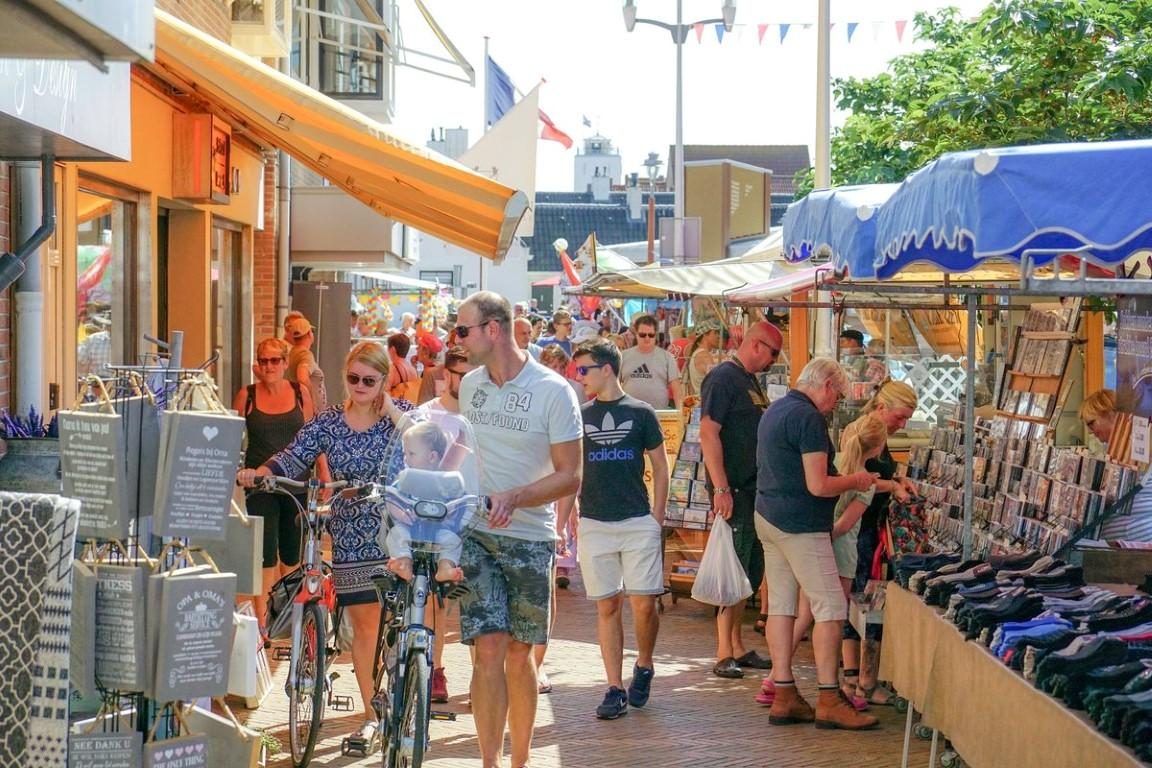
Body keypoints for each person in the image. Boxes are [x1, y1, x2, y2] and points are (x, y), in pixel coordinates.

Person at [236, 340, 411, 747]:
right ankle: (372, 716)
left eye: (370, 379)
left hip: (397, 531)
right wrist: (261, 472)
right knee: (366, 628)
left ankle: (404, 693)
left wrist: (393, 412)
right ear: (344, 378)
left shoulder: (400, 418)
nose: (361, 385)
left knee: (397, 626)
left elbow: (428, 444)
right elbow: (294, 454)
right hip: (351, 535)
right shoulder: (330, 422)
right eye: (354, 378)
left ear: (384, 379)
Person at [455, 291, 582, 768]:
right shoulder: (470, 386)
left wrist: (516, 497)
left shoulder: (554, 391)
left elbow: (571, 473)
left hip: (530, 536)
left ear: (493, 329)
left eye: (464, 330)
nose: (458, 339)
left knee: (519, 651)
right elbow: (463, 452)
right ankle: (490, 761)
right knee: (487, 648)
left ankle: (521, 760)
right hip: (477, 533)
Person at [755, 357, 879, 731]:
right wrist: (855, 481)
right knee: (830, 607)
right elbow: (818, 485)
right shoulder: (808, 418)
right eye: (837, 396)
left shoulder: (775, 410)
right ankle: (829, 696)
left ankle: (784, 691)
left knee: (781, 606)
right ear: (825, 385)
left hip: (769, 515)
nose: (835, 404)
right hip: (801, 524)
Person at [571, 340, 668, 720]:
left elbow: (660, 466)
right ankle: (614, 687)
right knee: (607, 604)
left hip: (636, 520)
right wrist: (569, 517)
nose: (580, 379)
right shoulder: (580, 415)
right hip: (595, 521)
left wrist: (656, 518)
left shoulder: (642, 413)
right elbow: (572, 469)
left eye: (584, 370)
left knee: (644, 604)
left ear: (606, 369)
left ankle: (644, 664)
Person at [787, 413, 888, 707]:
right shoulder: (864, 482)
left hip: (817, 545)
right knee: (834, 618)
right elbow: (845, 525)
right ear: (879, 447)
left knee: (805, 614)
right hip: (841, 553)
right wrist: (827, 538)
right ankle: (836, 686)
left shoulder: (835, 466)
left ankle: (776, 674)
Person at [699, 321, 781, 679]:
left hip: (751, 489)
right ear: (758, 346)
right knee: (734, 567)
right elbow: (708, 432)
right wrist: (721, 488)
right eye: (774, 353)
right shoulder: (723, 378)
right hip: (734, 489)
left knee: (748, 568)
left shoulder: (747, 380)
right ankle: (723, 649)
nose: (773, 361)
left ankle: (736, 644)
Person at [231, 336, 321, 636]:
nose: (269, 366)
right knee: (264, 554)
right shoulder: (248, 395)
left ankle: (289, 614)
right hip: (260, 484)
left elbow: (314, 439)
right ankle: (263, 620)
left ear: (285, 363)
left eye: (275, 360)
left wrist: (324, 478)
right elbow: (231, 440)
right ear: (258, 365)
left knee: (292, 554)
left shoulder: (300, 393)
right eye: (264, 360)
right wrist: (236, 471)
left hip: (296, 482)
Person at [402, 345, 475, 703]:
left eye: (471, 373)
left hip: (474, 516)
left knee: (476, 599)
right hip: (432, 519)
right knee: (435, 600)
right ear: (446, 375)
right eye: (459, 373)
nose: (464, 381)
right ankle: (435, 669)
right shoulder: (425, 415)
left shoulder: (484, 416)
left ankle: (481, 680)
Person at [849, 379, 918, 704]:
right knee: (865, 599)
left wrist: (896, 480)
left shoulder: (876, 433)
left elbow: (876, 474)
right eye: (900, 417)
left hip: (866, 529)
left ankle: (855, 678)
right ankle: (862, 679)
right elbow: (856, 479)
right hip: (861, 531)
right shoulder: (864, 433)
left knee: (858, 599)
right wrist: (892, 488)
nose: (902, 424)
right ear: (881, 407)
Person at [386, 421, 464, 583]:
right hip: (410, 528)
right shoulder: (406, 478)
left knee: (453, 541)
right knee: (396, 534)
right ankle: (404, 563)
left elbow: (458, 503)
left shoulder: (445, 481)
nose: (406, 459)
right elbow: (391, 497)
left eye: (411, 454)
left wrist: (451, 512)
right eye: (405, 453)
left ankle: (445, 568)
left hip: (437, 531)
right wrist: (400, 513)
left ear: (432, 457)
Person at [1080, 388, 1152, 541]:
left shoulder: (1139, 444)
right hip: (1120, 542)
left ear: (1110, 413)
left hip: (1136, 541)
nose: (1091, 432)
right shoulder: (1116, 449)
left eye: (1091, 423)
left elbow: (1127, 494)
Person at [619, 313, 682, 410]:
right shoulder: (623, 356)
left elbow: (676, 389)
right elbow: (614, 385)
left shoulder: (667, 357)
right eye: (643, 335)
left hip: (658, 415)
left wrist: (680, 414)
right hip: (628, 414)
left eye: (651, 335)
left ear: (655, 334)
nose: (647, 338)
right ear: (636, 334)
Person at [285, 314, 328, 411]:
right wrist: (313, 403)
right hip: (307, 412)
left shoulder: (292, 353)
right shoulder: (305, 355)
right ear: (309, 334)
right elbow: (302, 378)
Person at [683, 320, 726, 400]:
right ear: (705, 335)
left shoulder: (698, 353)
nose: (719, 336)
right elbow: (717, 383)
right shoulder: (703, 356)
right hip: (706, 404)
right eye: (715, 333)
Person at [387, 332, 419, 399]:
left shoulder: (392, 369)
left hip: (395, 407)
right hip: (410, 406)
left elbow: (385, 394)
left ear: (393, 349)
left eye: (388, 348)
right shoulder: (413, 369)